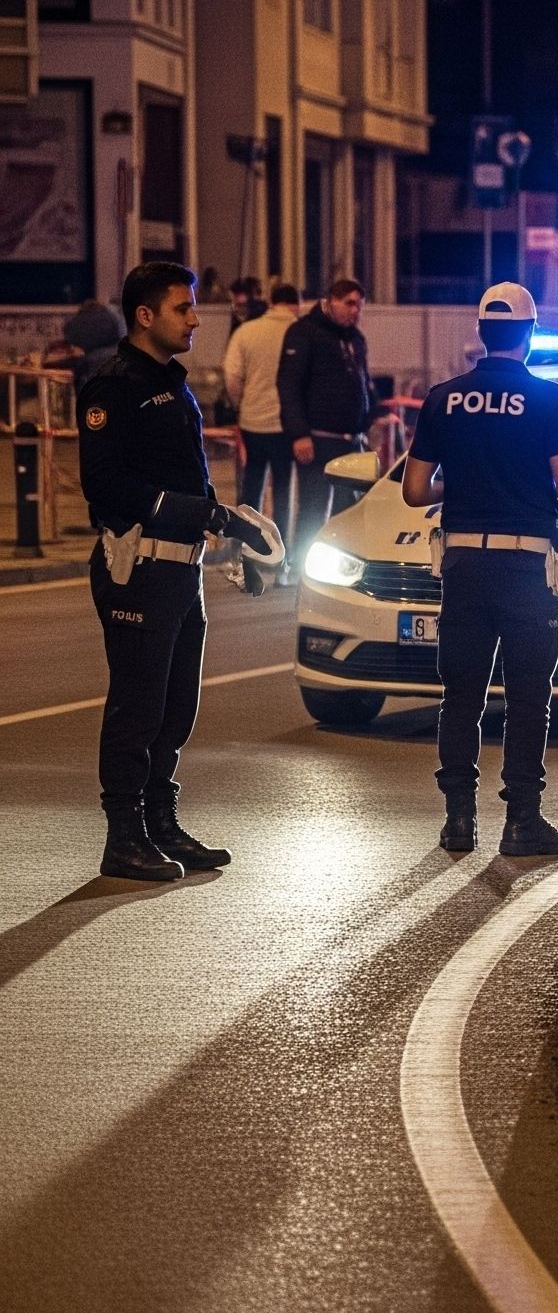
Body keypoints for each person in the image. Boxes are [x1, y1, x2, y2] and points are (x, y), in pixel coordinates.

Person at [77, 263, 272, 882]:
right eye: (182, 308)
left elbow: (188, 476)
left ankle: (162, 824)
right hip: (137, 568)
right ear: (145, 316)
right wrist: (205, 511)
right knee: (136, 708)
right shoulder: (114, 386)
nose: (194, 318)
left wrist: (228, 535)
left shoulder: (173, 382)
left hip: (181, 573)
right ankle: (124, 839)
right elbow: (106, 486)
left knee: (175, 706)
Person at [403, 283, 558, 859]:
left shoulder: (442, 397)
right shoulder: (550, 398)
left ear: (481, 333)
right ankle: (521, 823)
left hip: (462, 563)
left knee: (461, 695)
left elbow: (413, 490)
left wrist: (464, 481)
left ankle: (458, 822)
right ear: (528, 334)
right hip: (525, 566)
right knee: (529, 695)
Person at [278, 276, 374, 566]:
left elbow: (363, 384)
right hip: (318, 440)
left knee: (349, 511)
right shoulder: (303, 332)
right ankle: (299, 568)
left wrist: (372, 417)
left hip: (352, 441)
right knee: (313, 507)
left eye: (360, 306)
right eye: (350, 304)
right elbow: (289, 385)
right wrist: (299, 434)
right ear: (331, 301)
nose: (355, 311)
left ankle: (340, 568)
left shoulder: (355, 339)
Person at [221, 281, 301, 520]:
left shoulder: (246, 331)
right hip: (286, 423)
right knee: (283, 486)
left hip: (252, 420)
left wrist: (241, 403)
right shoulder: (300, 331)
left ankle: (248, 539)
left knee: (252, 481)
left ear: (272, 302)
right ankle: (280, 544)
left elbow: (231, 373)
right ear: (294, 305)